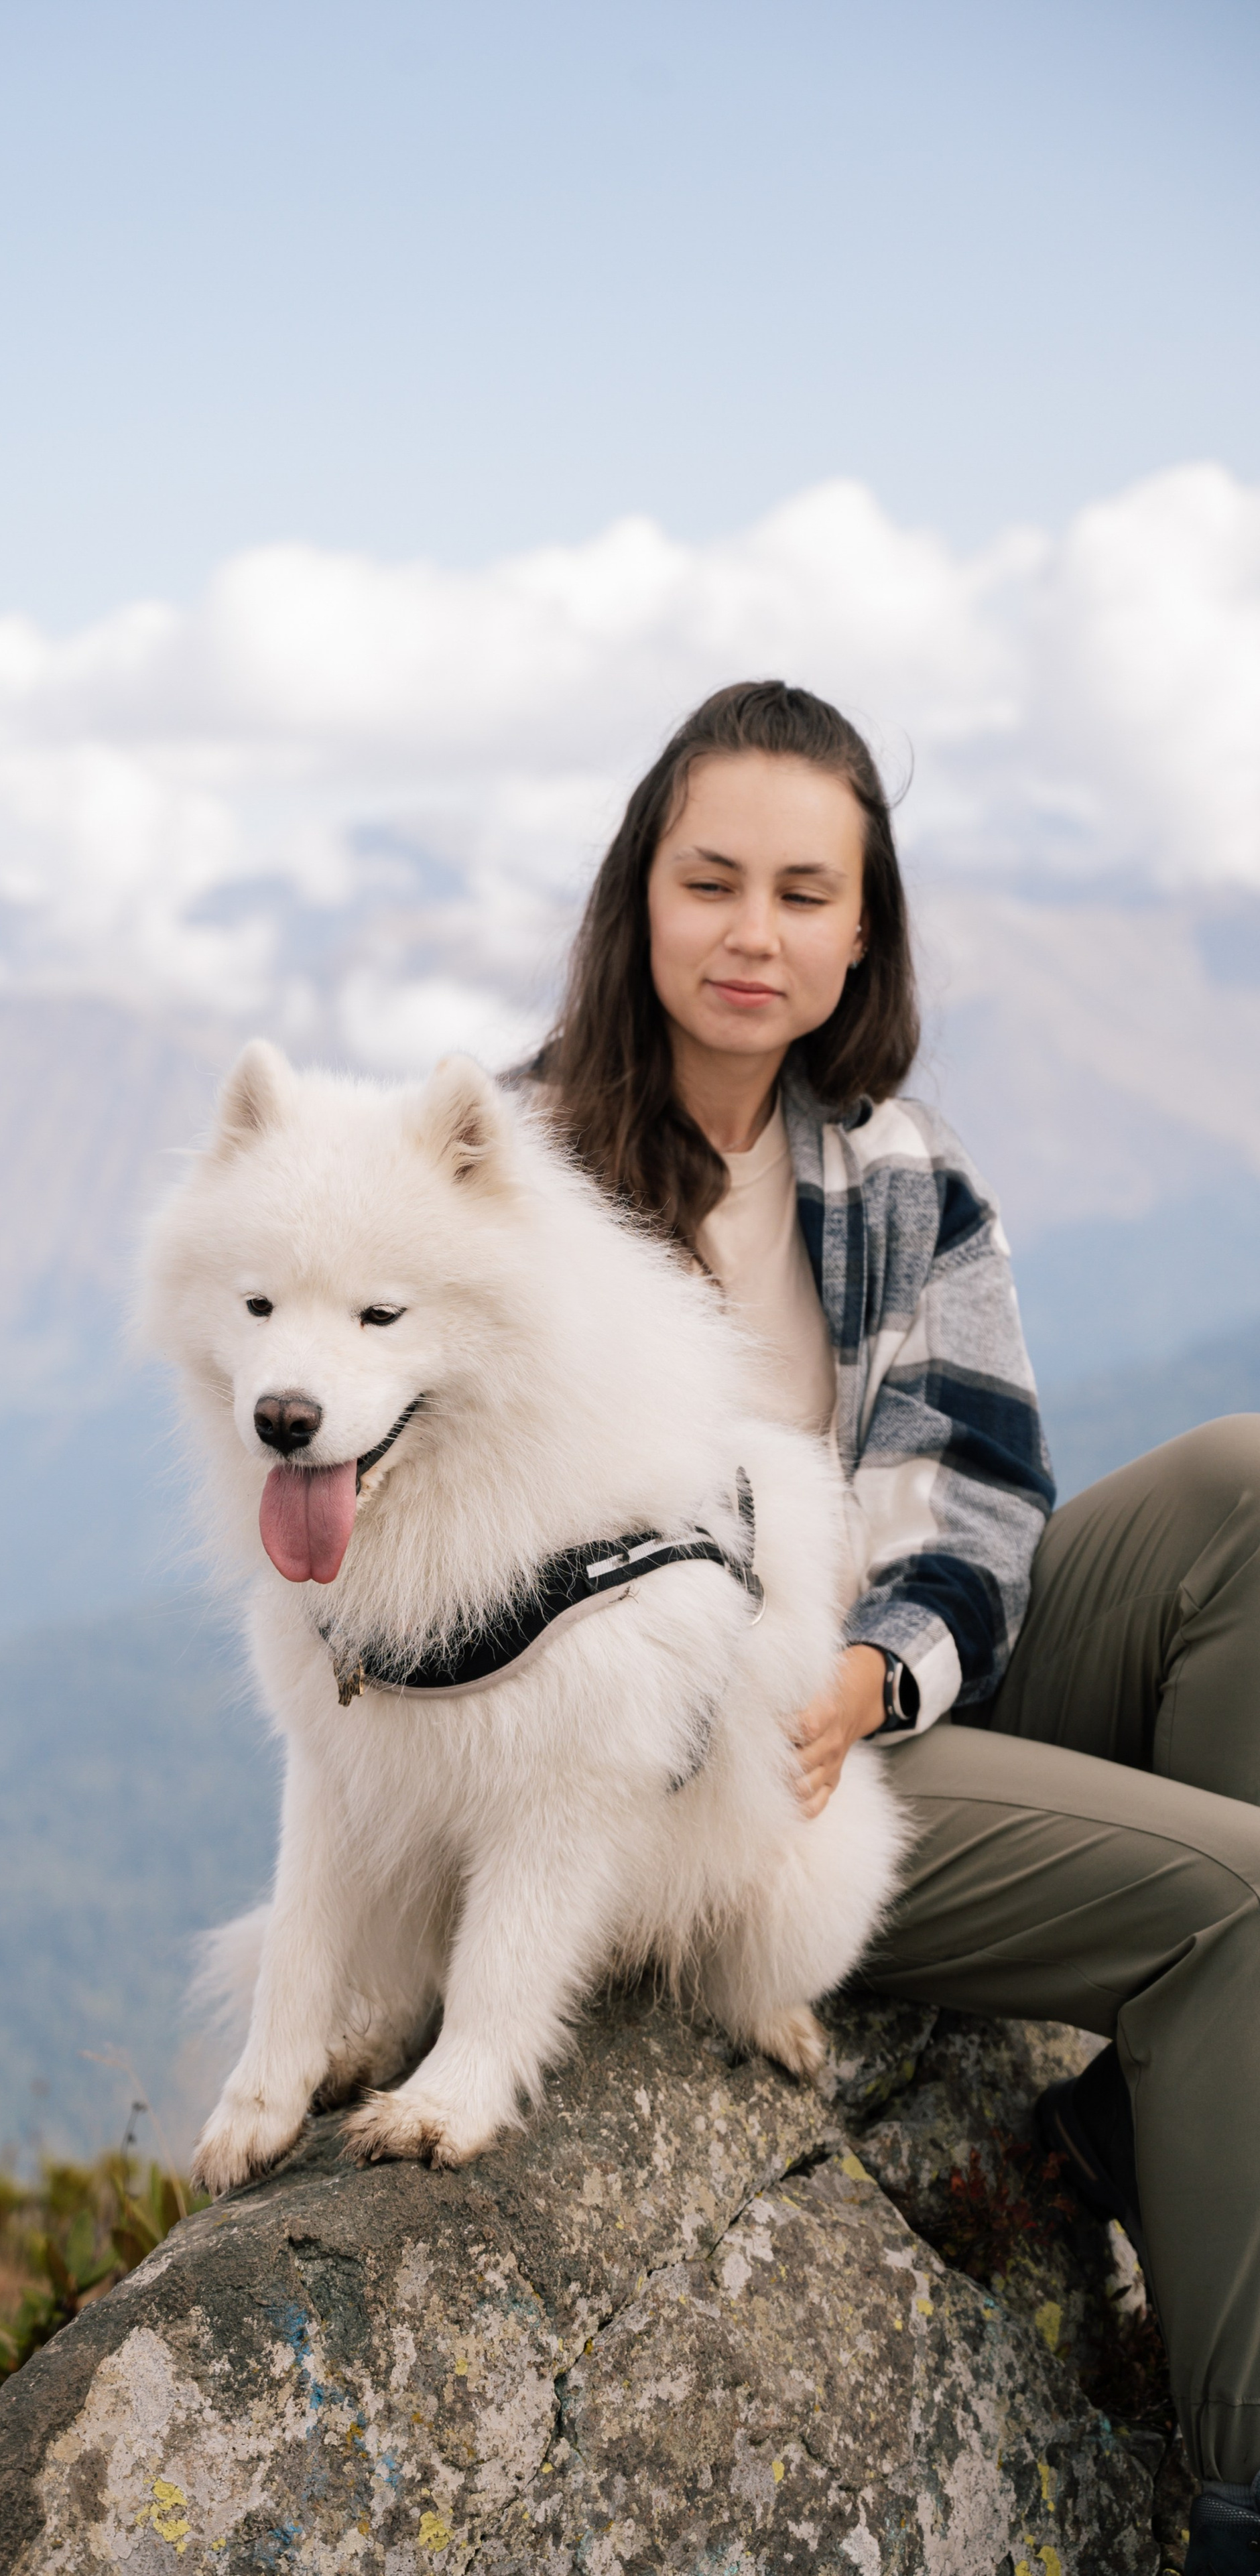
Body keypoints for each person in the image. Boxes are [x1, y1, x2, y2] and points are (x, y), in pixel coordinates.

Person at [532, 678, 1260, 2576]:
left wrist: (879, 1667)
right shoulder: (517, 1181)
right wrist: (791, 1701)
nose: (753, 933)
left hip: (876, 1690)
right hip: (714, 1776)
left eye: (803, 890)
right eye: (712, 883)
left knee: (1246, 1489)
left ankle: (1160, 2098)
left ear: (864, 933)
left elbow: (984, 1497)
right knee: (1247, 1900)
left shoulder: (893, 1165)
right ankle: (1254, 2484)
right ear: (642, 898)